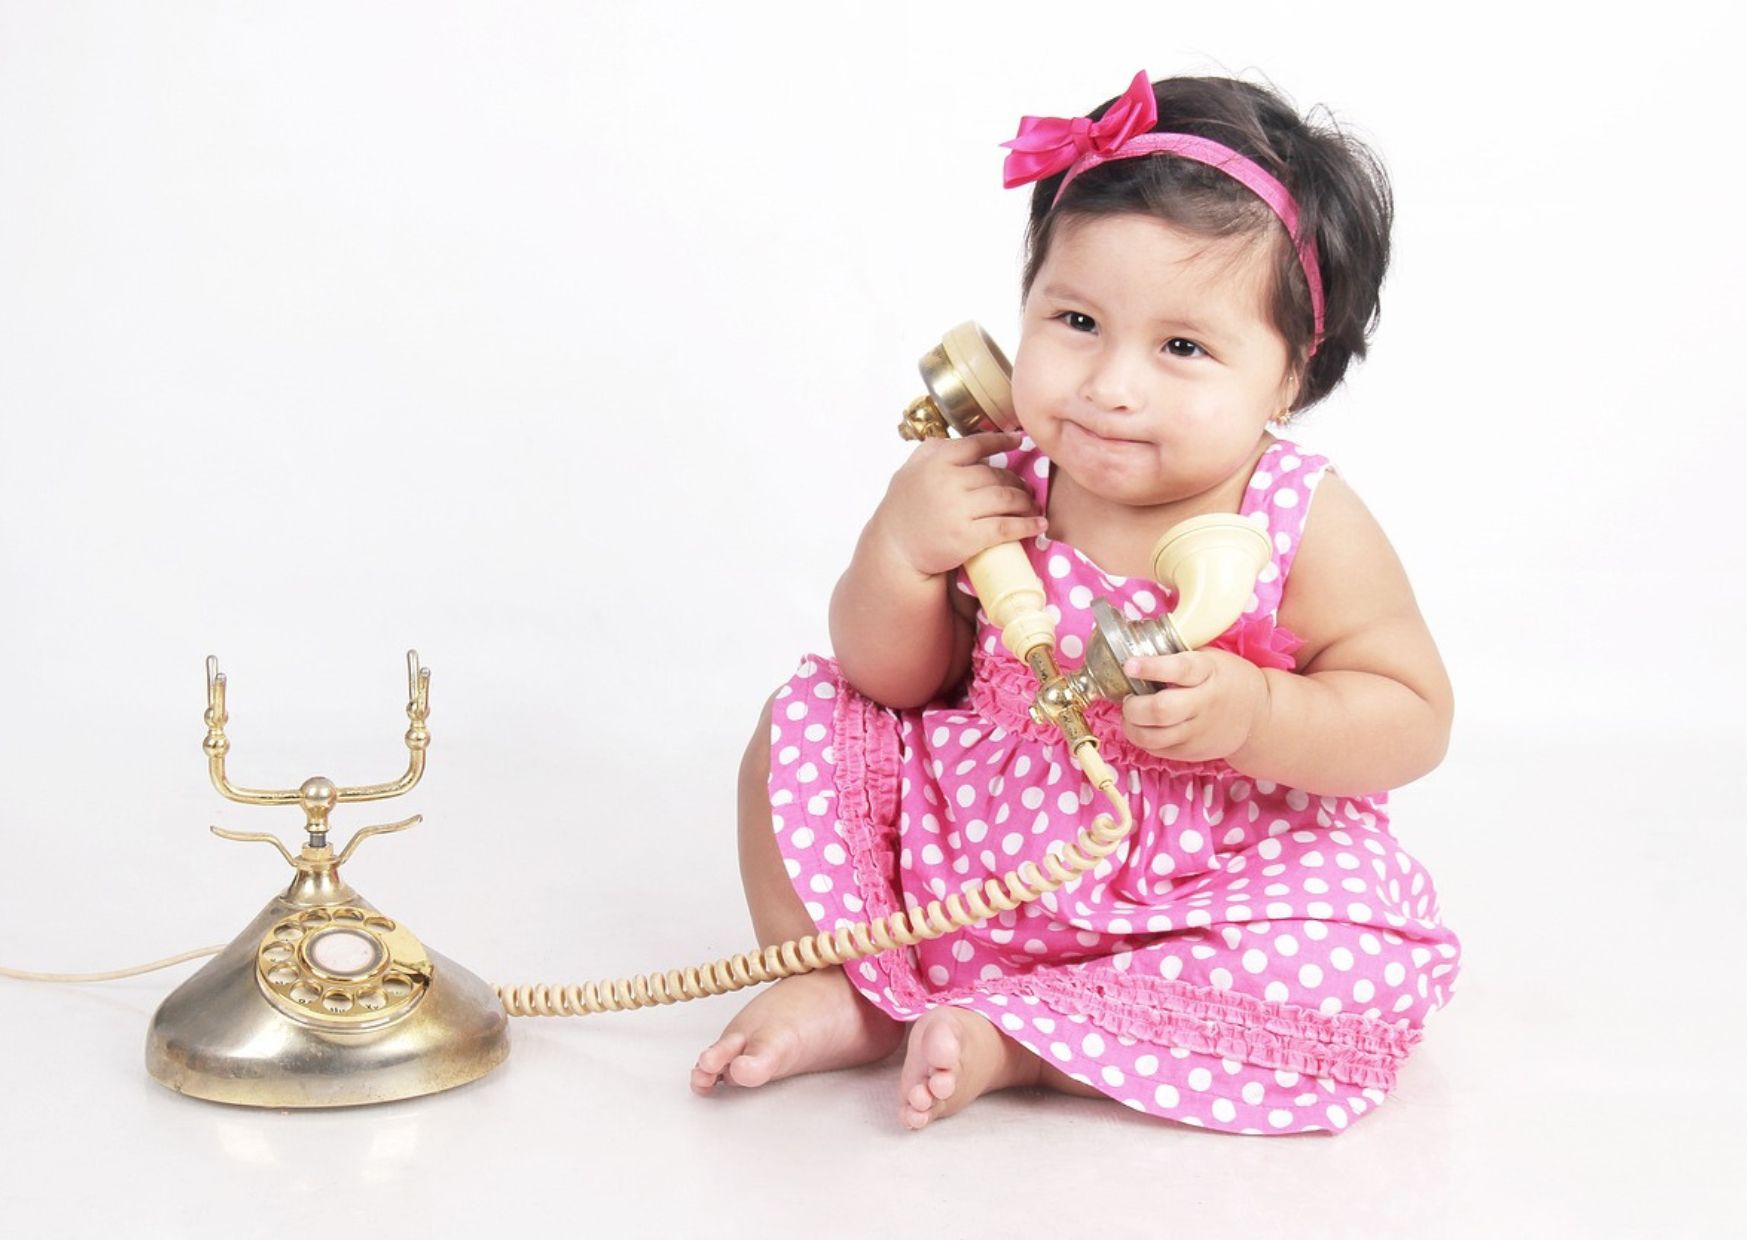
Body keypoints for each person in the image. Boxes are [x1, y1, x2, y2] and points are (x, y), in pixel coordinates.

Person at [691, 71, 1460, 1135]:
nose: (1110, 384)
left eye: (1181, 347)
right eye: (1077, 320)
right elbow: (890, 678)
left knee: (1363, 964)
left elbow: (1409, 713)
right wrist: (902, 550)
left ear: (1290, 375)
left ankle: (1027, 1041)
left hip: (1199, 889)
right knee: (803, 725)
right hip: (974, 851)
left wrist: (1255, 717)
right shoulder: (1002, 476)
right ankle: (846, 983)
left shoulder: (1299, 516)